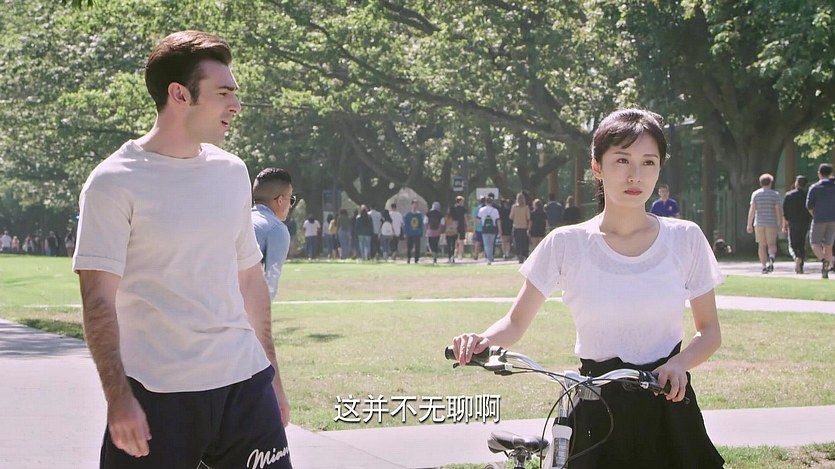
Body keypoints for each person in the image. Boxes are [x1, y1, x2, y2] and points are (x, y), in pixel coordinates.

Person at [451, 109, 724, 468]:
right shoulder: (566, 243)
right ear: (597, 167)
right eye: (621, 160)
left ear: (660, 168)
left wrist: (679, 364)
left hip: (668, 407)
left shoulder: (685, 238)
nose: (635, 174)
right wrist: (481, 340)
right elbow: (515, 323)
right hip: (595, 410)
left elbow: (710, 332)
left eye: (648, 162)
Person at [72, 31, 292, 469]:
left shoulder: (232, 172)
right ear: (179, 94)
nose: (236, 104)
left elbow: (250, 279)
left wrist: (272, 377)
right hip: (157, 395)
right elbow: (98, 301)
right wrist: (118, 398)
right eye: (223, 93)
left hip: (244, 385)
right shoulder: (113, 182)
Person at [251, 168, 294, 301]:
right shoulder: (276, 229)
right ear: (280, 200)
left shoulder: (239, 220)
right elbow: (270, 282)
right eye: (291, 199)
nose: (291, 205)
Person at [746, 173, 782, 274]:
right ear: (770, 183)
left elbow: (752, 210)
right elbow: (778, 210)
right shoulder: (775, 195)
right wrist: (780, 223)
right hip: (771, 222)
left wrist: (749, 223)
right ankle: (771, 257)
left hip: (759, 222)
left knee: (761, 245)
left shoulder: (756, 194)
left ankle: (763, 266)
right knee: (771, 244)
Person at [806, 163, 835, 279]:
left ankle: (824, 261)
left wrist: (815, 214)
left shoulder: (814, 188)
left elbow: (809, 205)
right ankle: (827, 268)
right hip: (833, 219)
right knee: (828, 245)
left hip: (819, 218)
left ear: (819, 173)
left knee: (815, 243)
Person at [782, 175, 812, 274]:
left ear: (796, 183)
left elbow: (785, 211)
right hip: (804, 222)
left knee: (793, 243)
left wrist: (785, 224)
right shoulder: (807, 195)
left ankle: (797, 257)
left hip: (793, 222)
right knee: (802, 243)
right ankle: (801, 264)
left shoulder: (789, 195)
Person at [476, 196, 501, 265]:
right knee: (491, 244)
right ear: (492, 202)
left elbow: (478, 220)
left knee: (486, 244)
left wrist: (481, 222)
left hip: (485, 228)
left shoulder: (481, 210)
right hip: (493, 228)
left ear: (485, 202)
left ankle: (489, 258)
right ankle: (491, 257)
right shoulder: (495, 210)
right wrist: (500, 230)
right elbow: (498, 221)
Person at [509, 192, 531, 263]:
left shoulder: (514, 207)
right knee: (524, 243)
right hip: (524, 227)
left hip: (516, 227)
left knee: (517, 243)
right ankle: (525, 255)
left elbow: (511, 217)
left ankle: (519, 255)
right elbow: (528, 218)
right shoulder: (526, 207)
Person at [404, 199, 424, 264]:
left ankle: (416, 259)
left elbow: (421, 224)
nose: (415, 206)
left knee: (417, 247)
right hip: (410, 233)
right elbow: (406, 224)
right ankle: (408, 258)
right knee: (409, 247)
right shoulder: (408, 215)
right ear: (411, 205)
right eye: (414, 204)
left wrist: (421, 232)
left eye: (416, 205)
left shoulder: (419, 215)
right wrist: (406, 232)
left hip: (417, 233)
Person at [452, 196, 469, 260]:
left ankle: (455, 251)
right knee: (461, 240)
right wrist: (467, 225)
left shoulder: (453, 209)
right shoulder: (463, 209)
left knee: (455, 239)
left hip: (454, 225)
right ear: (460, 201)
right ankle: (460, 254)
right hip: (461, 225)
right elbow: (465, 217)